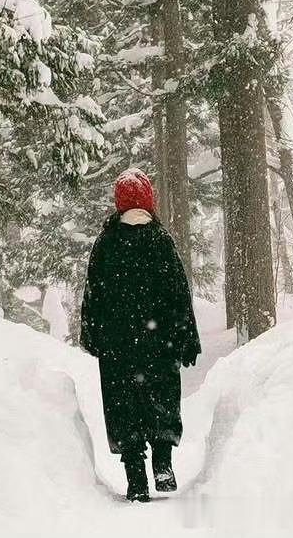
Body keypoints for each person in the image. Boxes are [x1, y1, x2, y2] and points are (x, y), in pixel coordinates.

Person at [79, 168, 201, 503]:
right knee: (160, 400)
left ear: (119, 204)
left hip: (119, 349)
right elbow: (179, 294)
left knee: (124, 407)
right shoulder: (161, 241)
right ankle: (163, 463)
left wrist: (93, 337)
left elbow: (93, 297)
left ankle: (135, 478)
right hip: (159, 344)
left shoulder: (106, 243)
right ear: (149, 200)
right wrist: (187, 337)